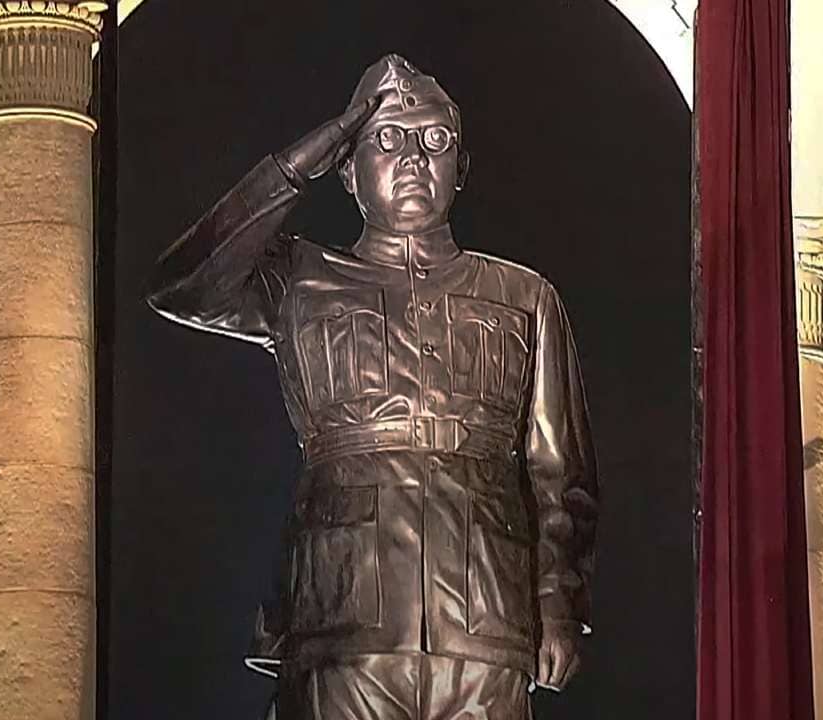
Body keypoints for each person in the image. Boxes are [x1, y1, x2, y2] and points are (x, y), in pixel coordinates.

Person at [147, 54, 599, 720]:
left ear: (460, 168)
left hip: (486, 624)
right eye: (386, 139)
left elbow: (561, 473)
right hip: (339, 618)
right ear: (348, 171)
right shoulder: (300, 280)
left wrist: (558, 605)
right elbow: (183, 284)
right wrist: (309, 153)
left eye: (435, 139)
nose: (413, 157)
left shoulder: (524, 296)